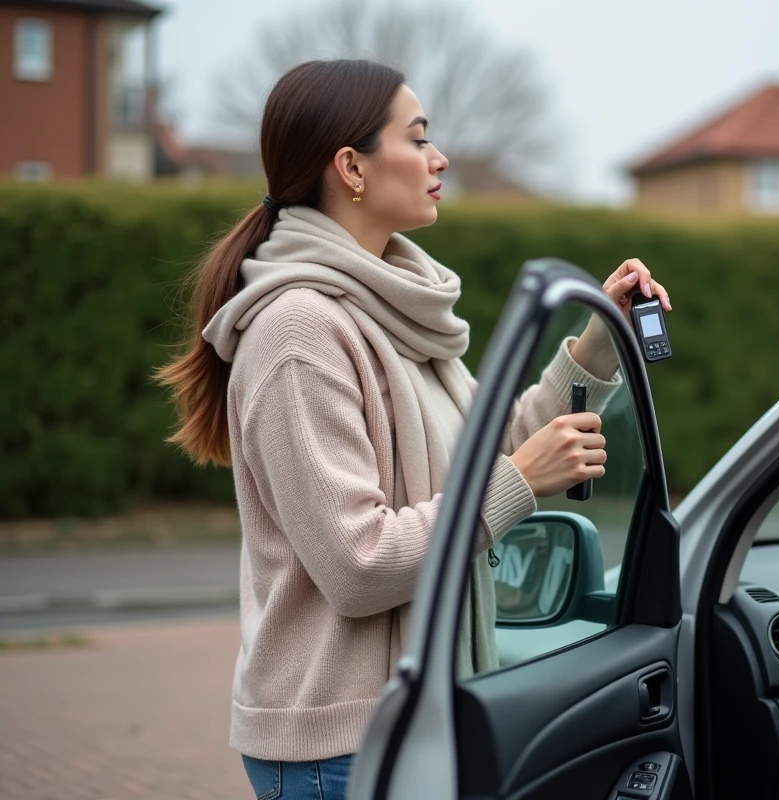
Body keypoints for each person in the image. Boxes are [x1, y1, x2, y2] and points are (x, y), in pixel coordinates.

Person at [156, 59, 672, 800]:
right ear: (351, 168)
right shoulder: (299, 332)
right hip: (344, 744)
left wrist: (596, 344)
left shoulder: (397, 309)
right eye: (419, 137)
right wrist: (519, 482)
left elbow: (486, 448)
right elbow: (358, 564)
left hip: (418, 716)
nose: (441, 158)